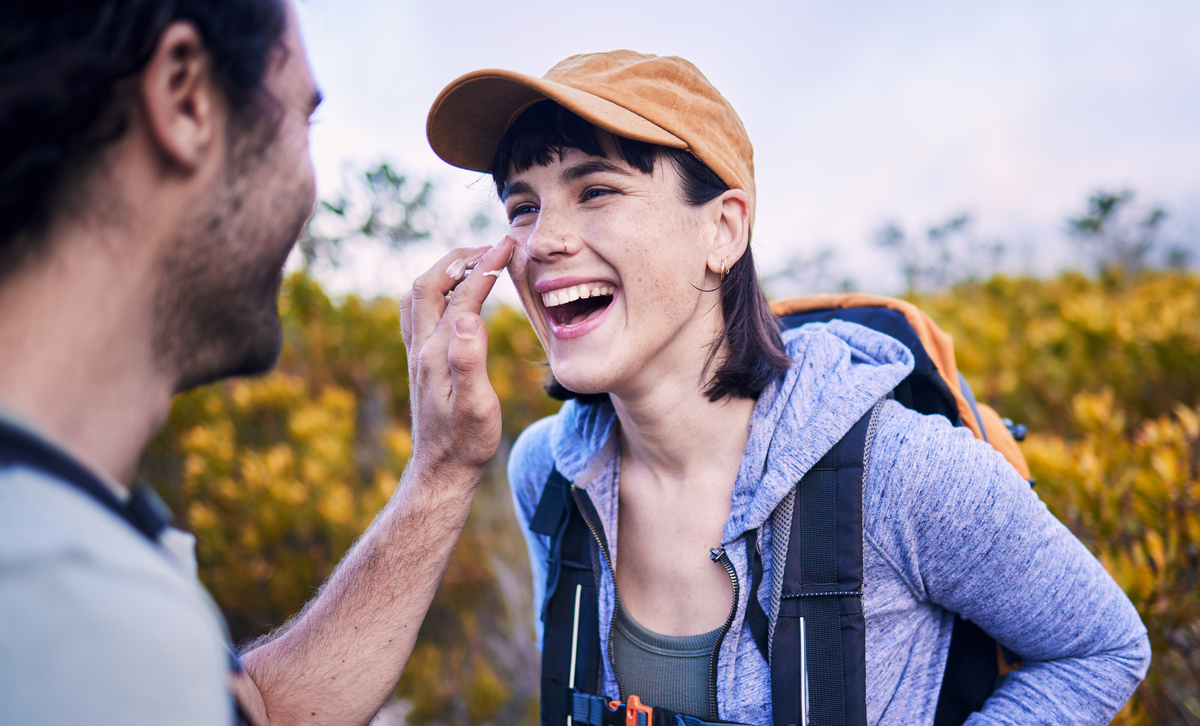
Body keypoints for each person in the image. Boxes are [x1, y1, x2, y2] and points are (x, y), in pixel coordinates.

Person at [424, 50, 1152, 725]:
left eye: (596, 190)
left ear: (723, 230)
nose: (543, 240)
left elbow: (1101, 649)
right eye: (523, 206)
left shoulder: (900, 472)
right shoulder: (548, 472)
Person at [0, 2, 513, 724]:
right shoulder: (64, 598)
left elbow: (256, 712)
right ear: (185, 99)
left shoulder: (77, 534)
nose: (312, 193)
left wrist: (445, 464)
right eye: (304, 120)